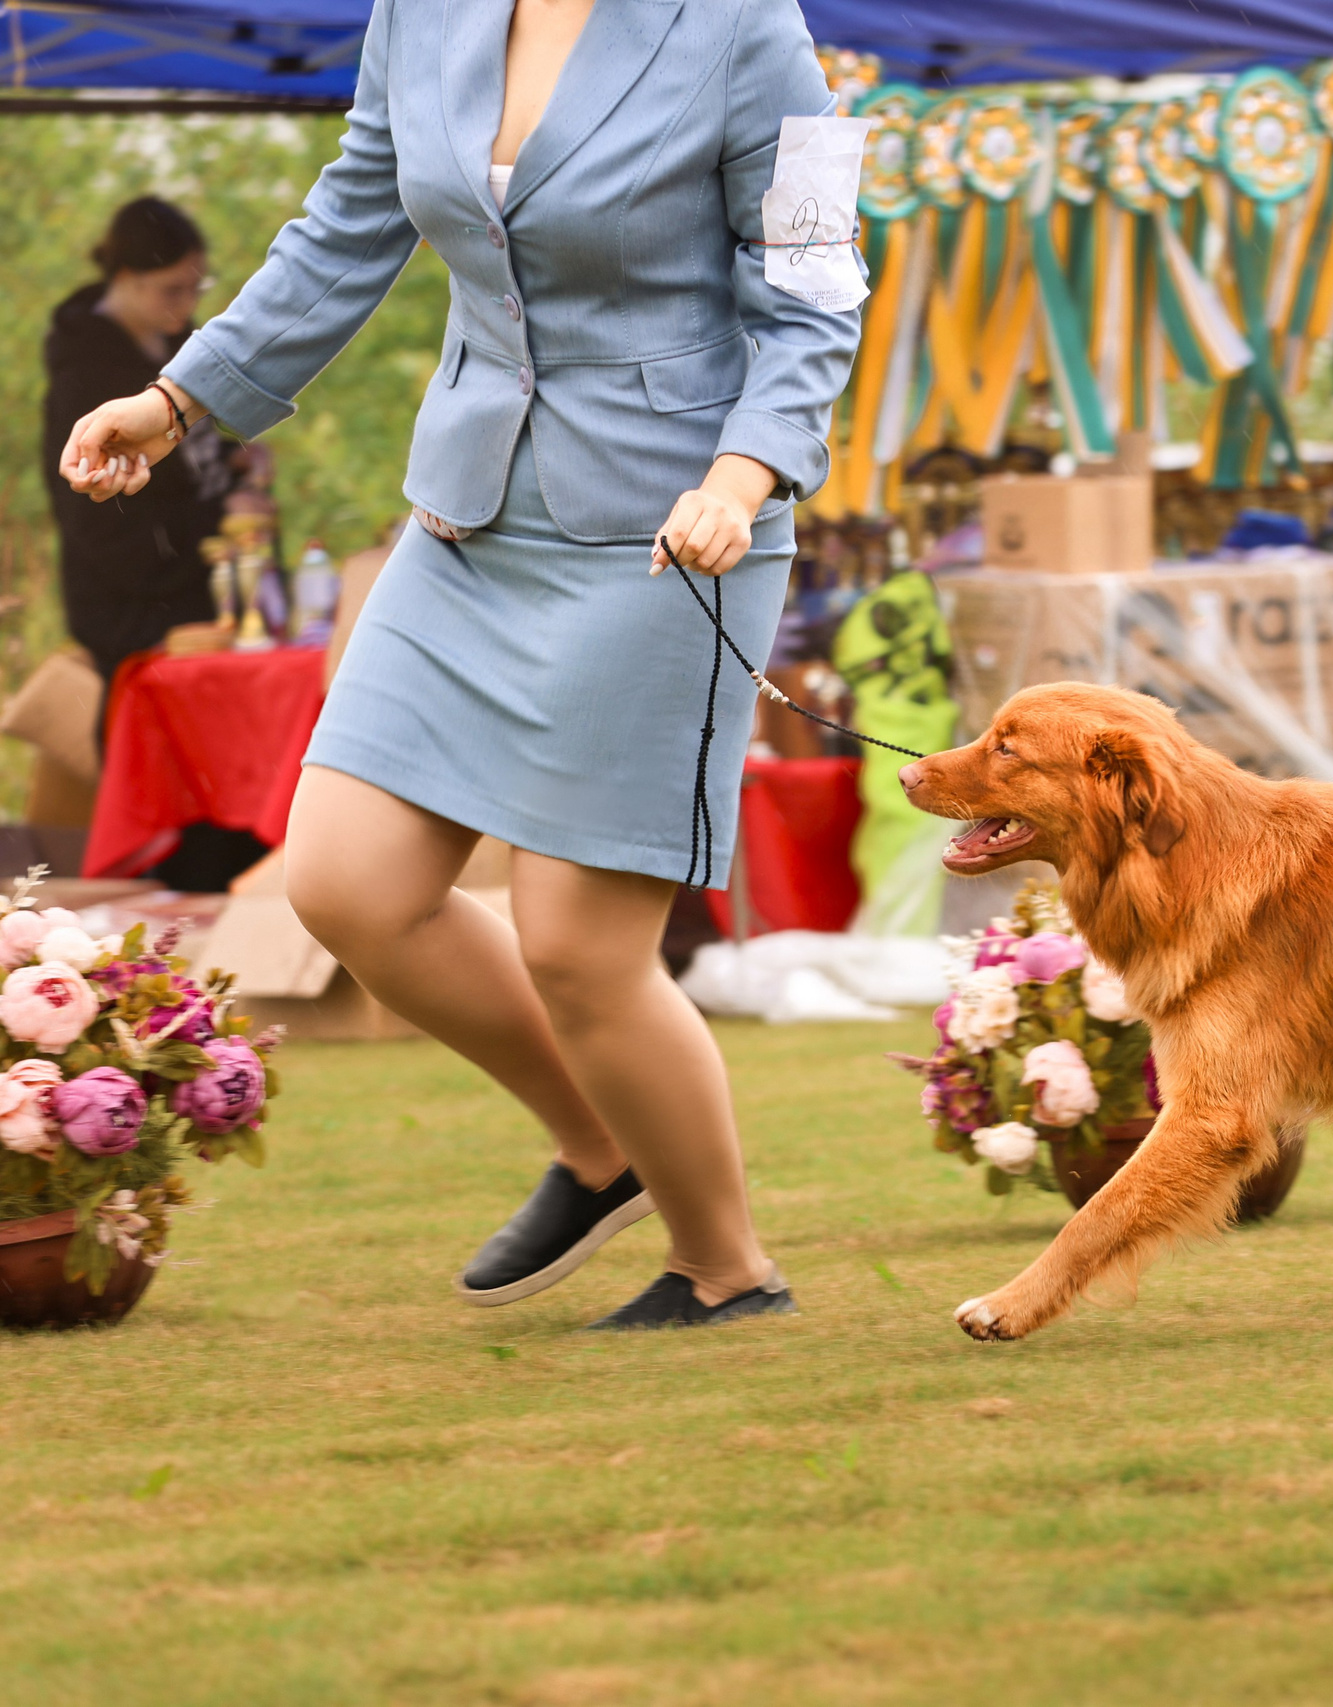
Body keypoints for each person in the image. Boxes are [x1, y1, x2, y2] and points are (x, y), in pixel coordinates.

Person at [59, 0, 864, 1328]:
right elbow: (346, 226)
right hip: (470, 511)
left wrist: (744, 473)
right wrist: (176, 401)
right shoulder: (418, 11)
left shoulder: (743, 24)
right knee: (345, 880)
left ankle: (726, 1268)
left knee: (580, 948)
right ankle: (600, 1150)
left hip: (675, 528)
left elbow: (816, 279)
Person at [41, 198, 229, 714]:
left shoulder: (177, 344)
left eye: (196, 288)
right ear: (127, 278)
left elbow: (198, 457)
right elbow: (95, 520)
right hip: (138, 612)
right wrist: (211, 530)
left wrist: (238, 469)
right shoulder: (84, 375)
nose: (187, 304)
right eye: (172, 289)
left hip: (200, 592)